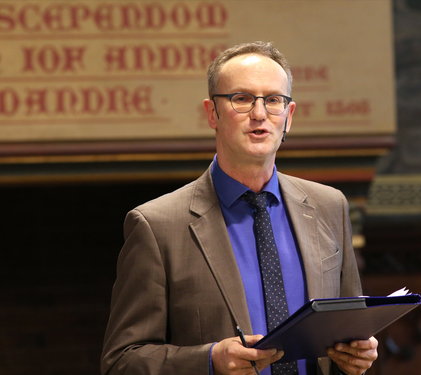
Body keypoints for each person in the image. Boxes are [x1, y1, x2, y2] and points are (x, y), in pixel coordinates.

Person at [101, 41, 378, 375]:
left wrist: (358, 357)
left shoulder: (329, 206)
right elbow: (122, 361)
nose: (259, 114)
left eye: (273, 100)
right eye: (242, 98)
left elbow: (349, 332)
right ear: (212, 113)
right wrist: (209, 360)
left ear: (288, 117)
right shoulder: (157, 225)